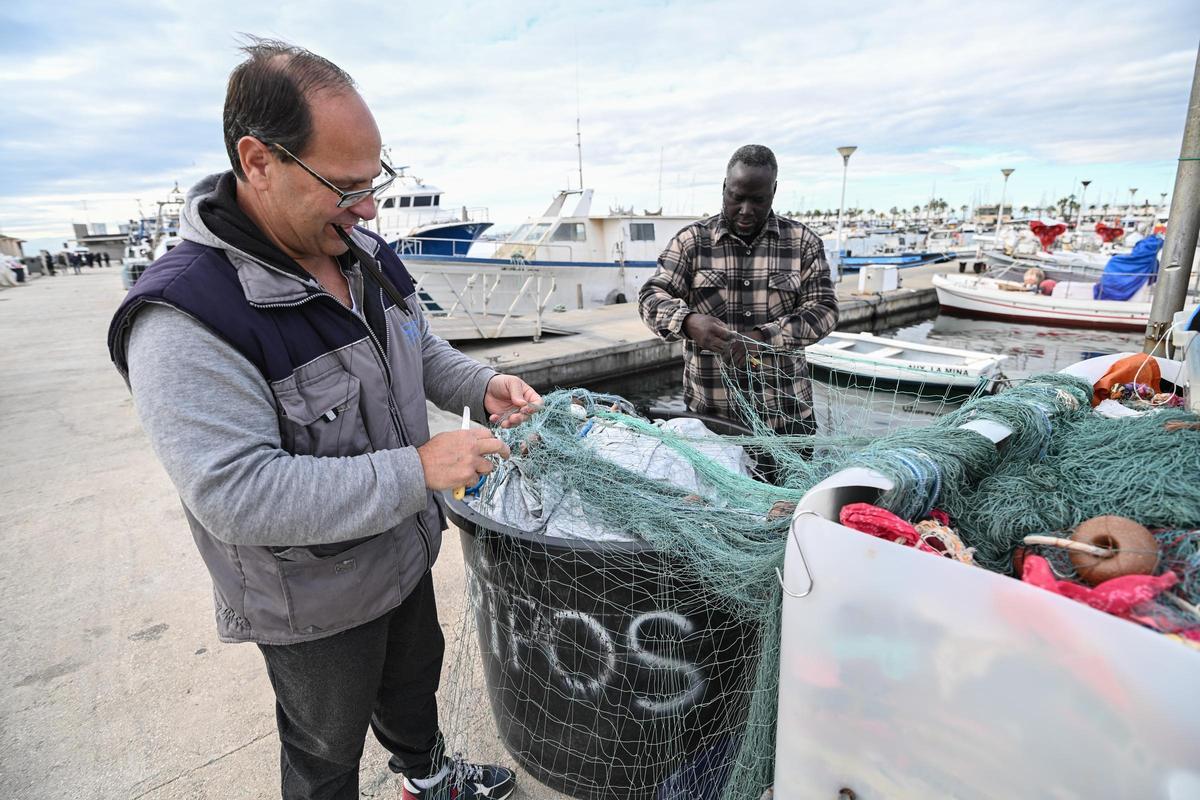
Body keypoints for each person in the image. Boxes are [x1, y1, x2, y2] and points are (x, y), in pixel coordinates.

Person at [106, 39, 536, 800]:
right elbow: (235, 495)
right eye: (344, 187)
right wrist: (420, 470)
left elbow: (418, 347)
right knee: (323, 748)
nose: (367, 207)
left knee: (413, 686)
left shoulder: (361, 248)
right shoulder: (183, 318)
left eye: (373, 182)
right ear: (258, 160)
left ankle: (427, 778)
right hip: (312, 601)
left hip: (402, 551)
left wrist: (483, 384)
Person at [638, 144, 839, 440]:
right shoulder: (691, 242)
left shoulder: (802, 242)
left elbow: (824, 311)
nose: (746, 210)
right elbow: (650, 297)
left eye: (757, 200)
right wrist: (687, 321)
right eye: (737, 197)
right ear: (724, 188)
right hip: (710, 424)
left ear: (773, 192)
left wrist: (762, 340)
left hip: (786, 420)